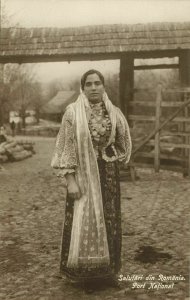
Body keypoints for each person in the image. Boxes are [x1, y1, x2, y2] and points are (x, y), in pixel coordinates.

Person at [51, 69, 132, 292]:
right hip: (83, 176)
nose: (94, 87)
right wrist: (70, 181)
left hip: (107, 176)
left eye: (98, 83)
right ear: (83, 87)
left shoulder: (114, 113)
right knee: (85, 221)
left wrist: (106, 153)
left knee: (109, 221)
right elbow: (65, 147)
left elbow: (123, 143)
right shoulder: (72, 113)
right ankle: (87, 275)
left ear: (104, 86)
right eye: (89, 84)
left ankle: (108, 272)